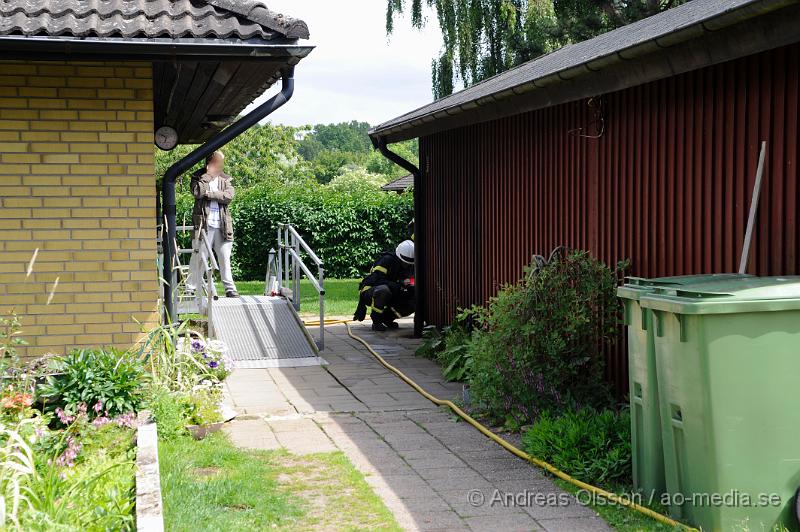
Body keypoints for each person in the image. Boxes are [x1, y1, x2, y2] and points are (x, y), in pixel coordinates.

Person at [186, 150, 239, 298]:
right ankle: (190, 288)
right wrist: (208, 176)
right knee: (199, 257)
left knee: (224, 258)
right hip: (204, 226)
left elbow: (228, 196)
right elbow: (197, 192)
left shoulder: (225, 178)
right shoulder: (198, 176)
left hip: (222, 226)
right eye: (218, 162)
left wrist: (211, 194)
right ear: (210, 163)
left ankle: (230, 289)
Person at [354, 240, 415, 331]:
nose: (406, 265)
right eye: (404, 262)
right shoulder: (387, 260)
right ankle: (377, 321)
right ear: (399, 256)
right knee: (383, 290)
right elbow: (376, 280)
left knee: (413, 301)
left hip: (392, 291)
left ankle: (386, 318)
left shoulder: (410, 265)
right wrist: (397, 285)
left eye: (409, 263)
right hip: (371, 290)